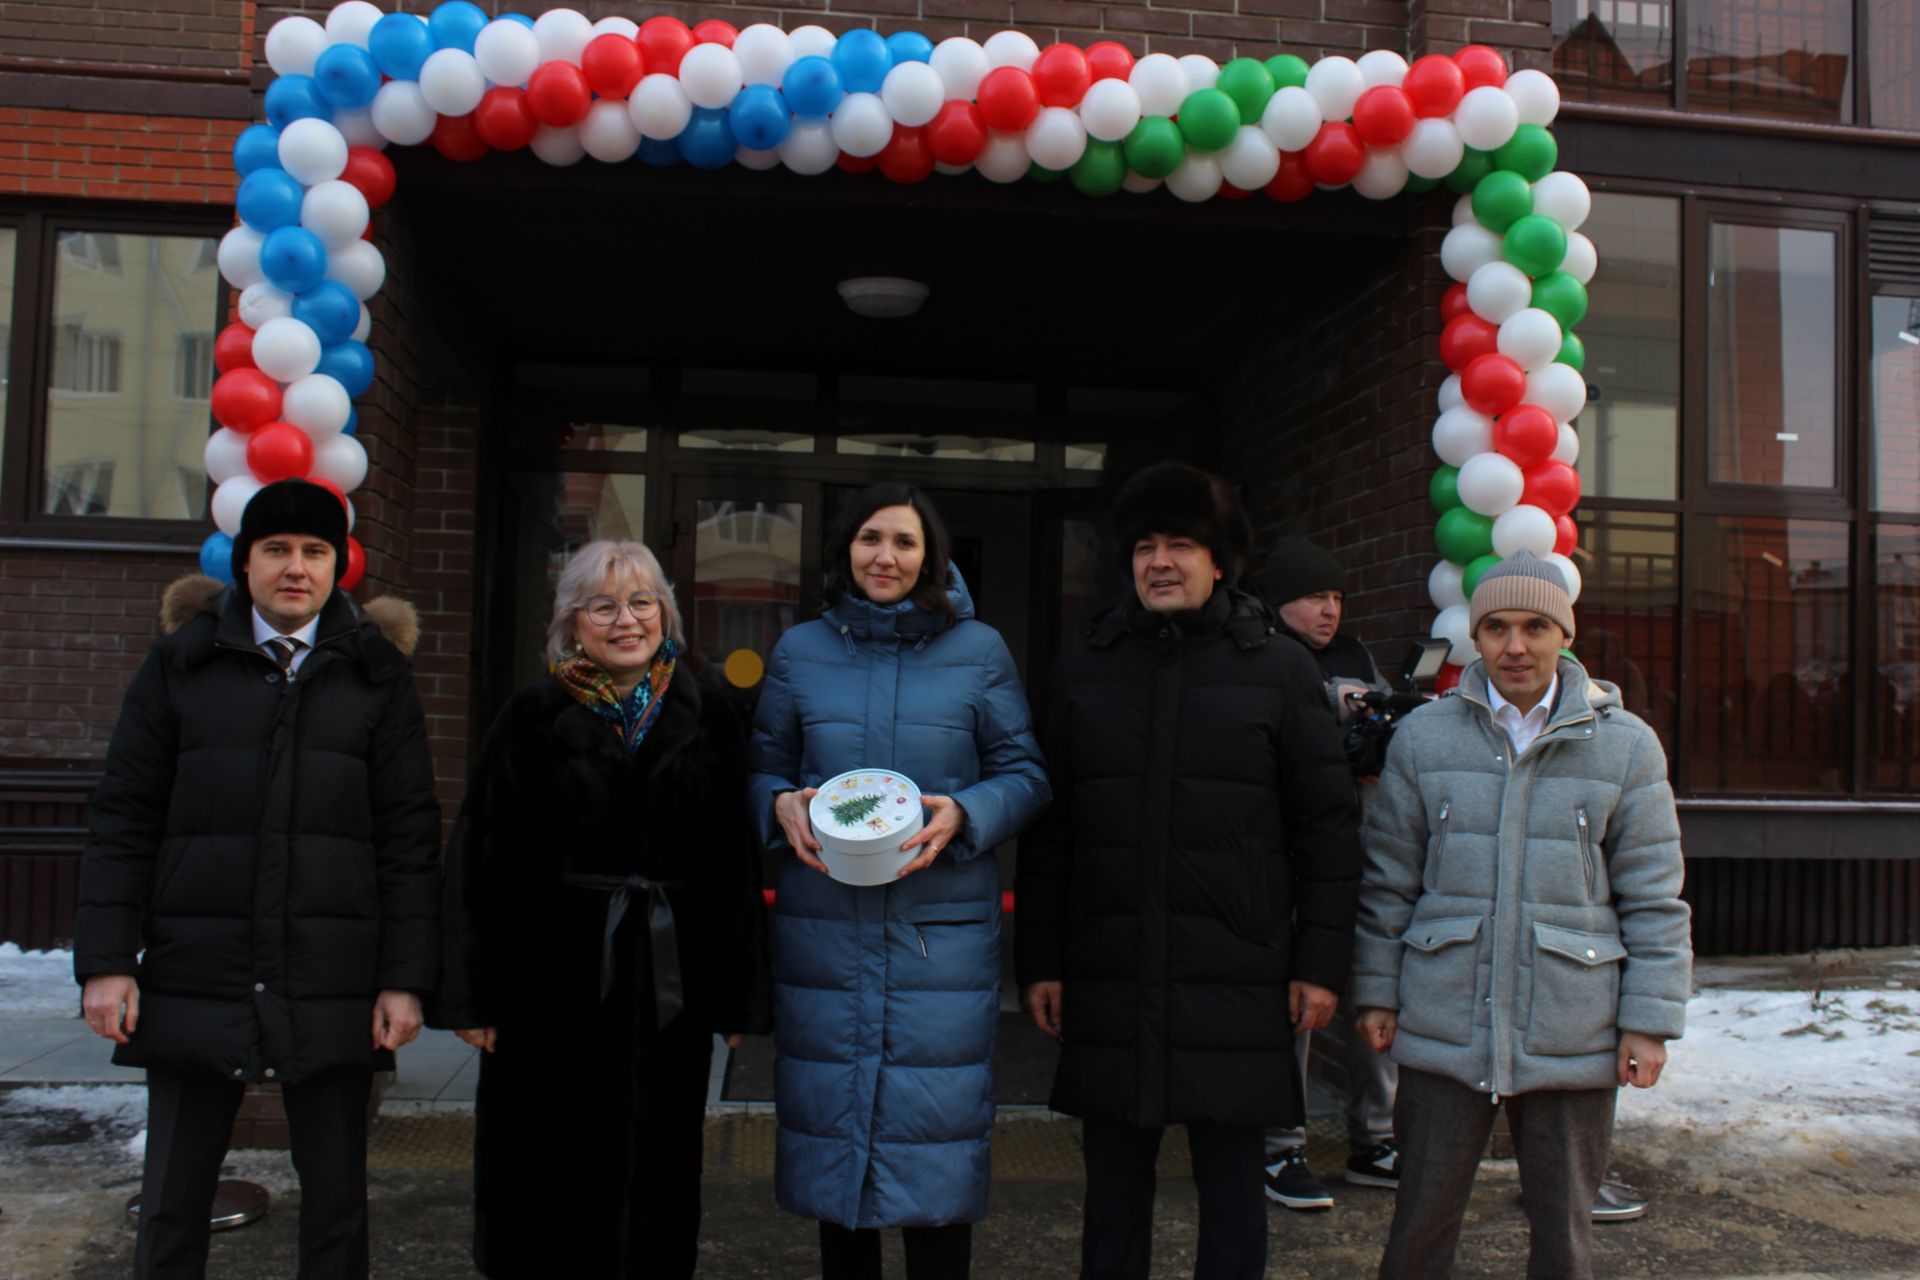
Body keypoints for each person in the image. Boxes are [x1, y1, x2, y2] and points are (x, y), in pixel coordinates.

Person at [74, 479, 441, 1280]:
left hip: (332, 977)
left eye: (315, 552)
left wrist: (405, 981)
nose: (295, 569)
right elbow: (124, 819)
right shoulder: (178, 667)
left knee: (338, 1203)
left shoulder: (377, 676)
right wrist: (106, 960)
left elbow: (409, 840)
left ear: (337, 566)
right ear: (246, 564)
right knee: (174, 1197)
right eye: (276, 550)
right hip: (195, 970)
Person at [1016, 462, 1362, 1280]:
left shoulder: (1280, 671)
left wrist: (1320, 965)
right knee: (1111, 1201)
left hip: (1236, 980)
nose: (1160, 561)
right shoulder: (1083, 668)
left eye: (1181, 543)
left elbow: (1328, 832)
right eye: (1144, 545)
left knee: (1235, 1199)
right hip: (1111, 974)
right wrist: (1040, 962)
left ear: (1219, 562)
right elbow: (1051, 831)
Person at [1351, 551, 1693, 1280]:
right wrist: (1378, 990)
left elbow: (1654, 897)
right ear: (1475, 635)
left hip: (1573, 1021)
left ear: (1563, 634)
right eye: (1497, 627)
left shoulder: (1625, 746)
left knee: (1564, 1235)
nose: (1515, 646)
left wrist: (1648, 1020)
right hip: (1445, 1013)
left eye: (1535, 626)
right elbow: (1388, 884)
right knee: (1418, 1225)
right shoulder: (1424, 738)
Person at [432, 539, 769, 1279]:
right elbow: (478, 856)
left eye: (642, 602)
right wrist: (471, 992)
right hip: (545, 981)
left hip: (667, 992)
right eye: (604, 605)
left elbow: (730, 867)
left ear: (665, 613)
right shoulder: (528, 716)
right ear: (571, 622)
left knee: (660, 1170)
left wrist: (739, 1000)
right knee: (544, 1172)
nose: (627, 620)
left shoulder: (709, 715)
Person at [748, 483, 1050, 1280]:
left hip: (938, 941)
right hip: (825, 931)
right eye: (870, 538)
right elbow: (764, 768)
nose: (886, 556)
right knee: (832, 1159)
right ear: (845, 550)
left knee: (936, 1157)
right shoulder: (800, 651)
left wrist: (968, 814)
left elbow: (1025, 773)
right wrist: (777, 805)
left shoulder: (978, 650)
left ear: (931, 556)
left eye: (905, 542)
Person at [1256, 537, 1398, 1210]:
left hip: (1362, 846)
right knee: (1299, 998)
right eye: (1316, 597)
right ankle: (1279, 1147)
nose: (1329, 611)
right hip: (1289, 859)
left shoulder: (1356, 656)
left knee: (1376, 987)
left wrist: (1382, 721)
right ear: (1278, 600)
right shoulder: (1253, 653)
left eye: (1337, 598)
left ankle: (1376, 1139)